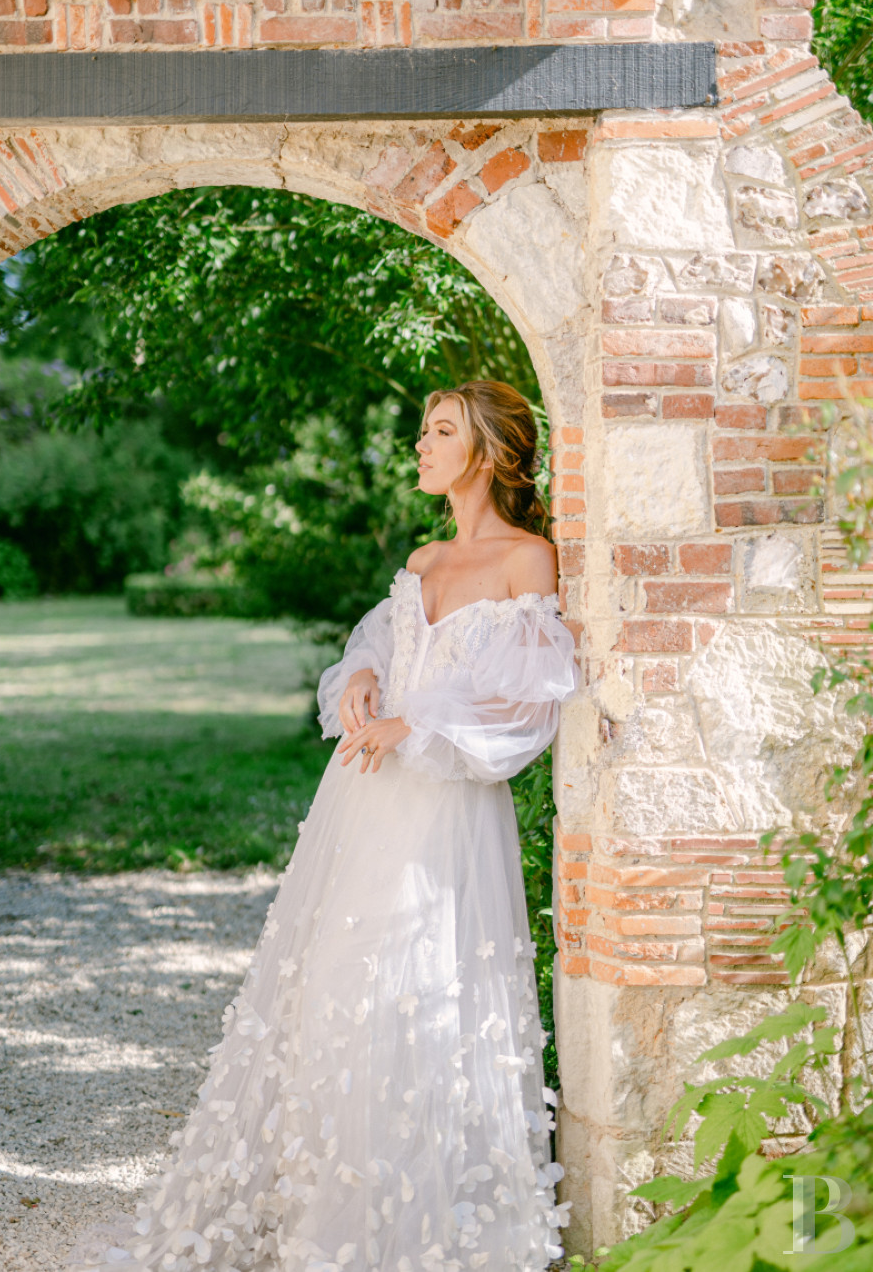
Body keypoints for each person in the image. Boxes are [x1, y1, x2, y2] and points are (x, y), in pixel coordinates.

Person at [66, 379, 579, 1272]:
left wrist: (416, 724)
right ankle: (334, 1207)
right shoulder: (421, 562)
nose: (421, 444)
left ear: (489, 453)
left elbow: (525, 704)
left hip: (448, 813)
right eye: (422, 429)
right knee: (341, 991)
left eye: (441, 430)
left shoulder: (527, 561)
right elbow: (378, 645)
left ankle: (421, 1220)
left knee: (423, 992)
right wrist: (362, 684)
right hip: (368, 801)